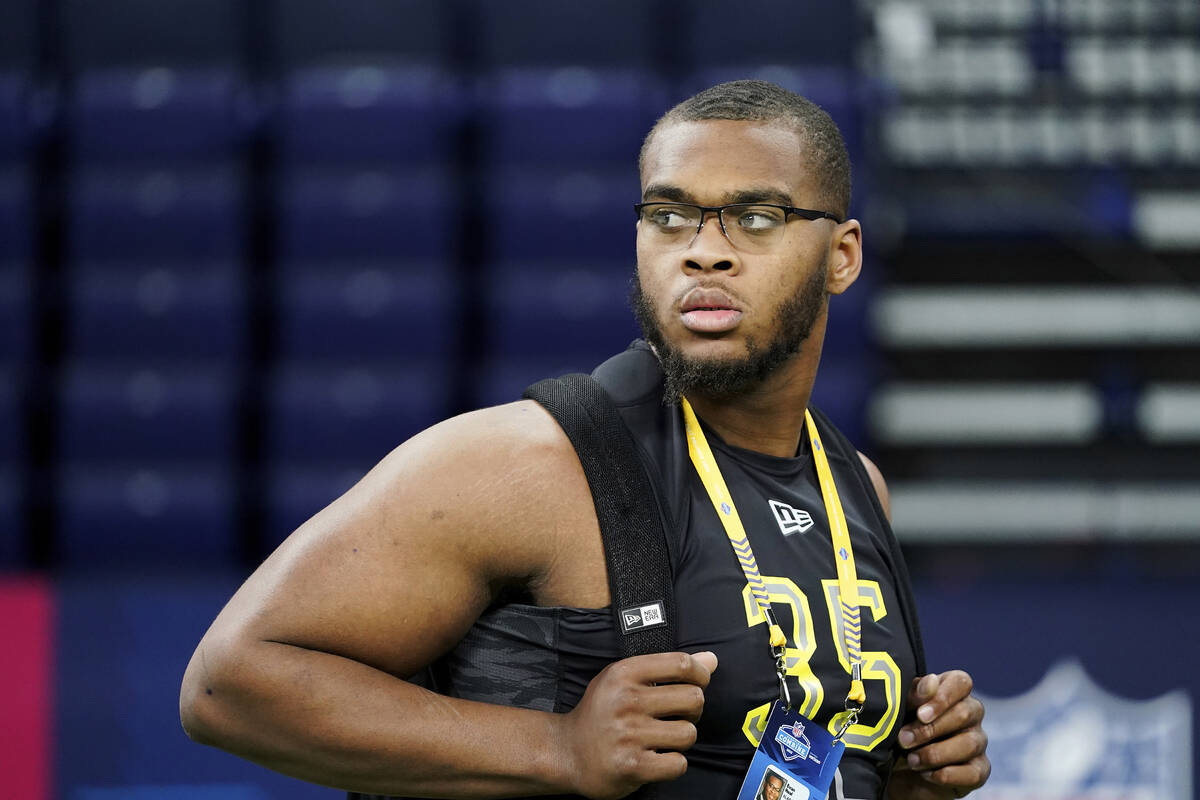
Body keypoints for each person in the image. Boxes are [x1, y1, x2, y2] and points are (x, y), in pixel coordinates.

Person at [180, 80, 989, 800]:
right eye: (668, 216)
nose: (704, 251)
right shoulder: (526, 463)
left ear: (842, 257)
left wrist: (898, 772)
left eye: (755, 218)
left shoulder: (856, 485)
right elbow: (228, 684)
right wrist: (556, 748)